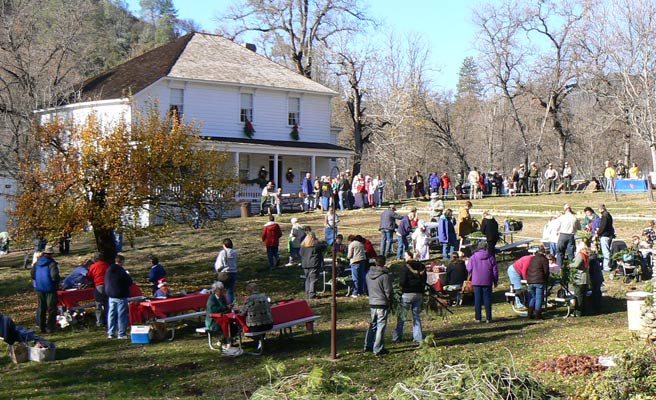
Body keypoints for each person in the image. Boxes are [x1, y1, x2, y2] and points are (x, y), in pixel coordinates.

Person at [393, 250, 426, 343]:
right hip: (418, 293)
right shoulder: (422, 266)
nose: (404, 257)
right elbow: (425, 280)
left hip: (407, 293)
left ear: (410, 256)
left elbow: (402, 281)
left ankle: (397, 336)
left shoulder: (405, 267)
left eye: (406, 255)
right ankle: (418, 337)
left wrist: (402, 286)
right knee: (416, 316)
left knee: (402, 316)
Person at [364, 255, 393, 356]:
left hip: (372, 301)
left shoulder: (368, 274)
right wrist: (390, 301)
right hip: (382, 302)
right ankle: (378, 348)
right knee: (381, 325)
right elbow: (388, 291)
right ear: (384, 263)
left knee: (373, 324)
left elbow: (366, 288)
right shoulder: (385, 276)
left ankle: (368, 344)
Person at [466, 242, 498, 323]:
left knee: (477, 300)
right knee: (487, 299)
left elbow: (469, 269)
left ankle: (478, 318)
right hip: (487, 281)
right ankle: (488, 318)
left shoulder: (473, 257)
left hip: (476, 281)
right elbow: (495, 271)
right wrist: (495, 281)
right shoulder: (491, 257)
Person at [31, 245, 60, 334]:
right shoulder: (51, 263)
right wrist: (57, 282)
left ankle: (41, 326)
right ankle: (50, 327)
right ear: (51, 254)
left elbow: (32, 274)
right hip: (50, 289)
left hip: (39, 288)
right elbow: (54, 276)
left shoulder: (37, 263)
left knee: (41, 307)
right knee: (52, 308)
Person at [105, 254, 133, 339]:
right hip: (120, 295)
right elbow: (129, 282)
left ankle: (111, 332)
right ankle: (121, 333)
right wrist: (128, 275)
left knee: (111, 314)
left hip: (110, 295)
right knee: (122, 314)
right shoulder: (121, 270)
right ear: (121, 261)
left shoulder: (109, 269)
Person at [87, 253, 110, 327]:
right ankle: (108, 321)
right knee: (107, 305)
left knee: (98, 305)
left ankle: (99, 322)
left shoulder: (93, 266)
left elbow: (89, 276)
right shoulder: (106, 265)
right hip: (107, 285)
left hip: (98, 286)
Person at [526, 246, 549, 319]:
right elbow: (546, 271)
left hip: (530, 281)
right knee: (539, 298)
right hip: (539, 281)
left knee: (532, 297)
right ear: (544, 252)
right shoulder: (544, 259)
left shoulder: (533, 258)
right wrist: (546, 279)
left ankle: (529, 314)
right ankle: (538, 314)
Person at [300, 231, 324, 299]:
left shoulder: (303, 246)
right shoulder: (316, 245)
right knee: (313, 279)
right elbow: (324, 247)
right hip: (314, 264)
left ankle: (308, 292)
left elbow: (301, 254)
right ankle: (312, 293)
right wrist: (319, 240)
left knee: (307, 278)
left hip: (305, 264)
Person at [570, 242, 591, 317]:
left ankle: (578, 312)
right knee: (583, 296)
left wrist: (569, 265)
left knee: (578, 296)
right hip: (585, 278)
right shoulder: (586, 254)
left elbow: (576, 264)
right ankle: (584, 311)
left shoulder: (580, 255)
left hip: (579, 278)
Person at [214, 238, 237, 304]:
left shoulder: (223, 252)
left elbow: (219, 264)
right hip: (233, 272)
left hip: (224, 274)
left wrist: (217, 270)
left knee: (220, 290)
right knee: (230, 291)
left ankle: (222, 304)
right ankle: (231, 304)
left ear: (224, 245)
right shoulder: (234, 252)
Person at [596, 204, 614, 272]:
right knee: (607, 250)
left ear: (601, 209)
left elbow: (602, 227)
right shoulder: (608, 215)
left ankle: (606, 267)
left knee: (605, 251)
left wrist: (598, 233)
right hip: (609, 235)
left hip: (605, 235)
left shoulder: (604, 216)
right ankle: (606, 265)